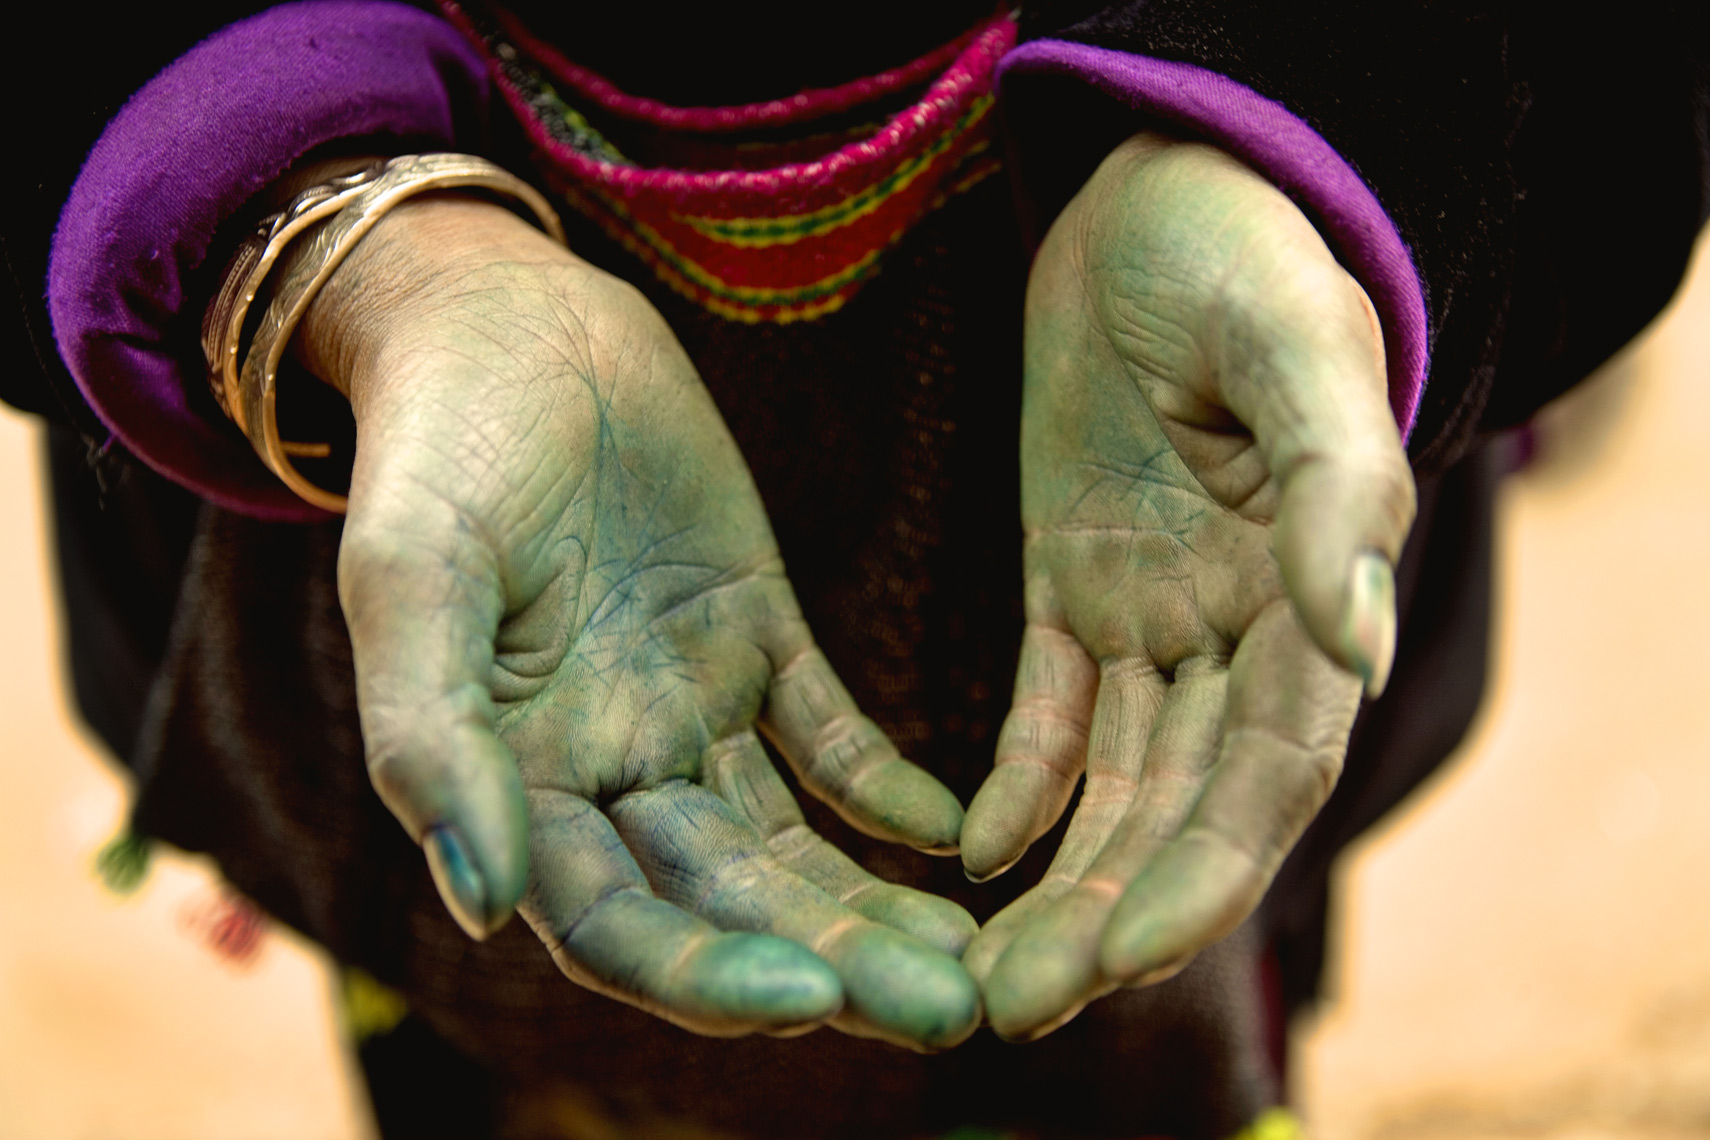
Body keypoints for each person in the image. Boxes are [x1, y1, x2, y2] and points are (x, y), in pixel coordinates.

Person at [6, 2, 1707, 1136]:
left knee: (1155, 974)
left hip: (1171, 466)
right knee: (502, 999)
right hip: (389, 450)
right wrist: (340, 254)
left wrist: (1303, 144)